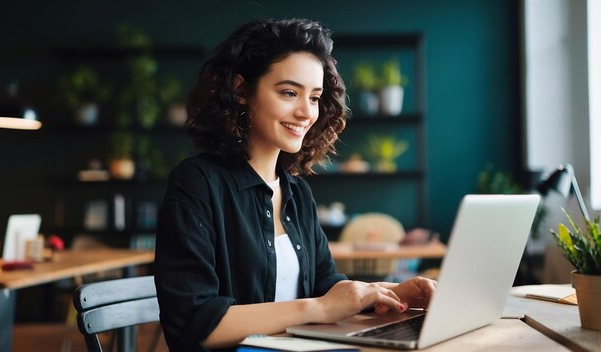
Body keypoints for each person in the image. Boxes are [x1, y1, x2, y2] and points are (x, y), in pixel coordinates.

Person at [154, 18, 436, 352]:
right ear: (242, 90)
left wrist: (385, 294)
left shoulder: (297, 191)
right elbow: (196, 324)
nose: (306, 112)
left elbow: (325, 285)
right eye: (289, 92)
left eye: (314, 97)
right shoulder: (197, 184)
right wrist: (317, 308)